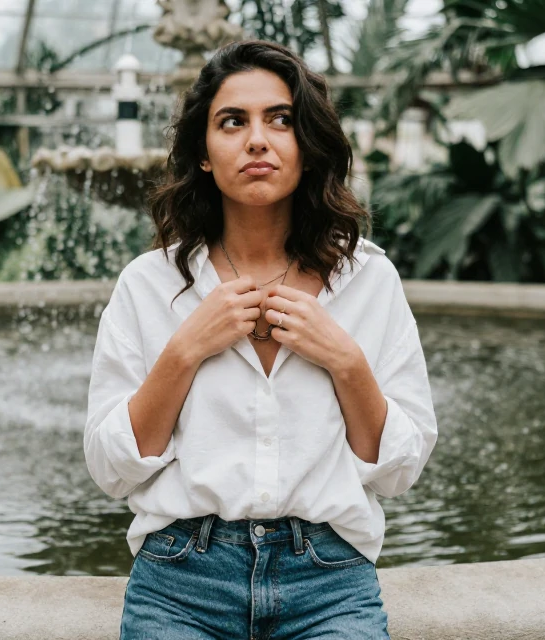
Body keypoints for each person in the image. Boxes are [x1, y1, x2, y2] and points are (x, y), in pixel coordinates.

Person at [83, 39, 439, 639]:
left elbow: (400, 471)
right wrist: (185, 350)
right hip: (179, 579)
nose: (257, 139)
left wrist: (347, 362)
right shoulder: (148, 285)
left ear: (308, 144)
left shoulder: (368, 281)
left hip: (330, 579)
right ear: (203, 152)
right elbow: (112, 469)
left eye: (280, 119)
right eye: (232, 122)